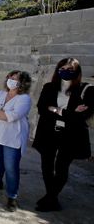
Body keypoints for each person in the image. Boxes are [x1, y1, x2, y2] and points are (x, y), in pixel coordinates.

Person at [33, 58, 93, 212]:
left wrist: (55, 109)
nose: (65, 71)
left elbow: (83, 115)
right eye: (62, 68)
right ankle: (52, 198)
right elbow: (41, 108)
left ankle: (50, 198)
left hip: (70, 135)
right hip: (48, 132)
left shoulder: (86, 89)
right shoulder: (49, 87)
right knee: (46, 166)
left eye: (69, 69)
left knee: (61, 167)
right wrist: (68, 113)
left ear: (77, 72)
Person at [0, 70, 32, 212]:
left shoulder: (24, 99)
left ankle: (12, 196)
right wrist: (2, 114)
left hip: (12, 137)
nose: (10, 79)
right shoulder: (0, 94)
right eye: (9, 77)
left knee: (11, 166)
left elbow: (14, 116)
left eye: (14, 78)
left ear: (22, 82)